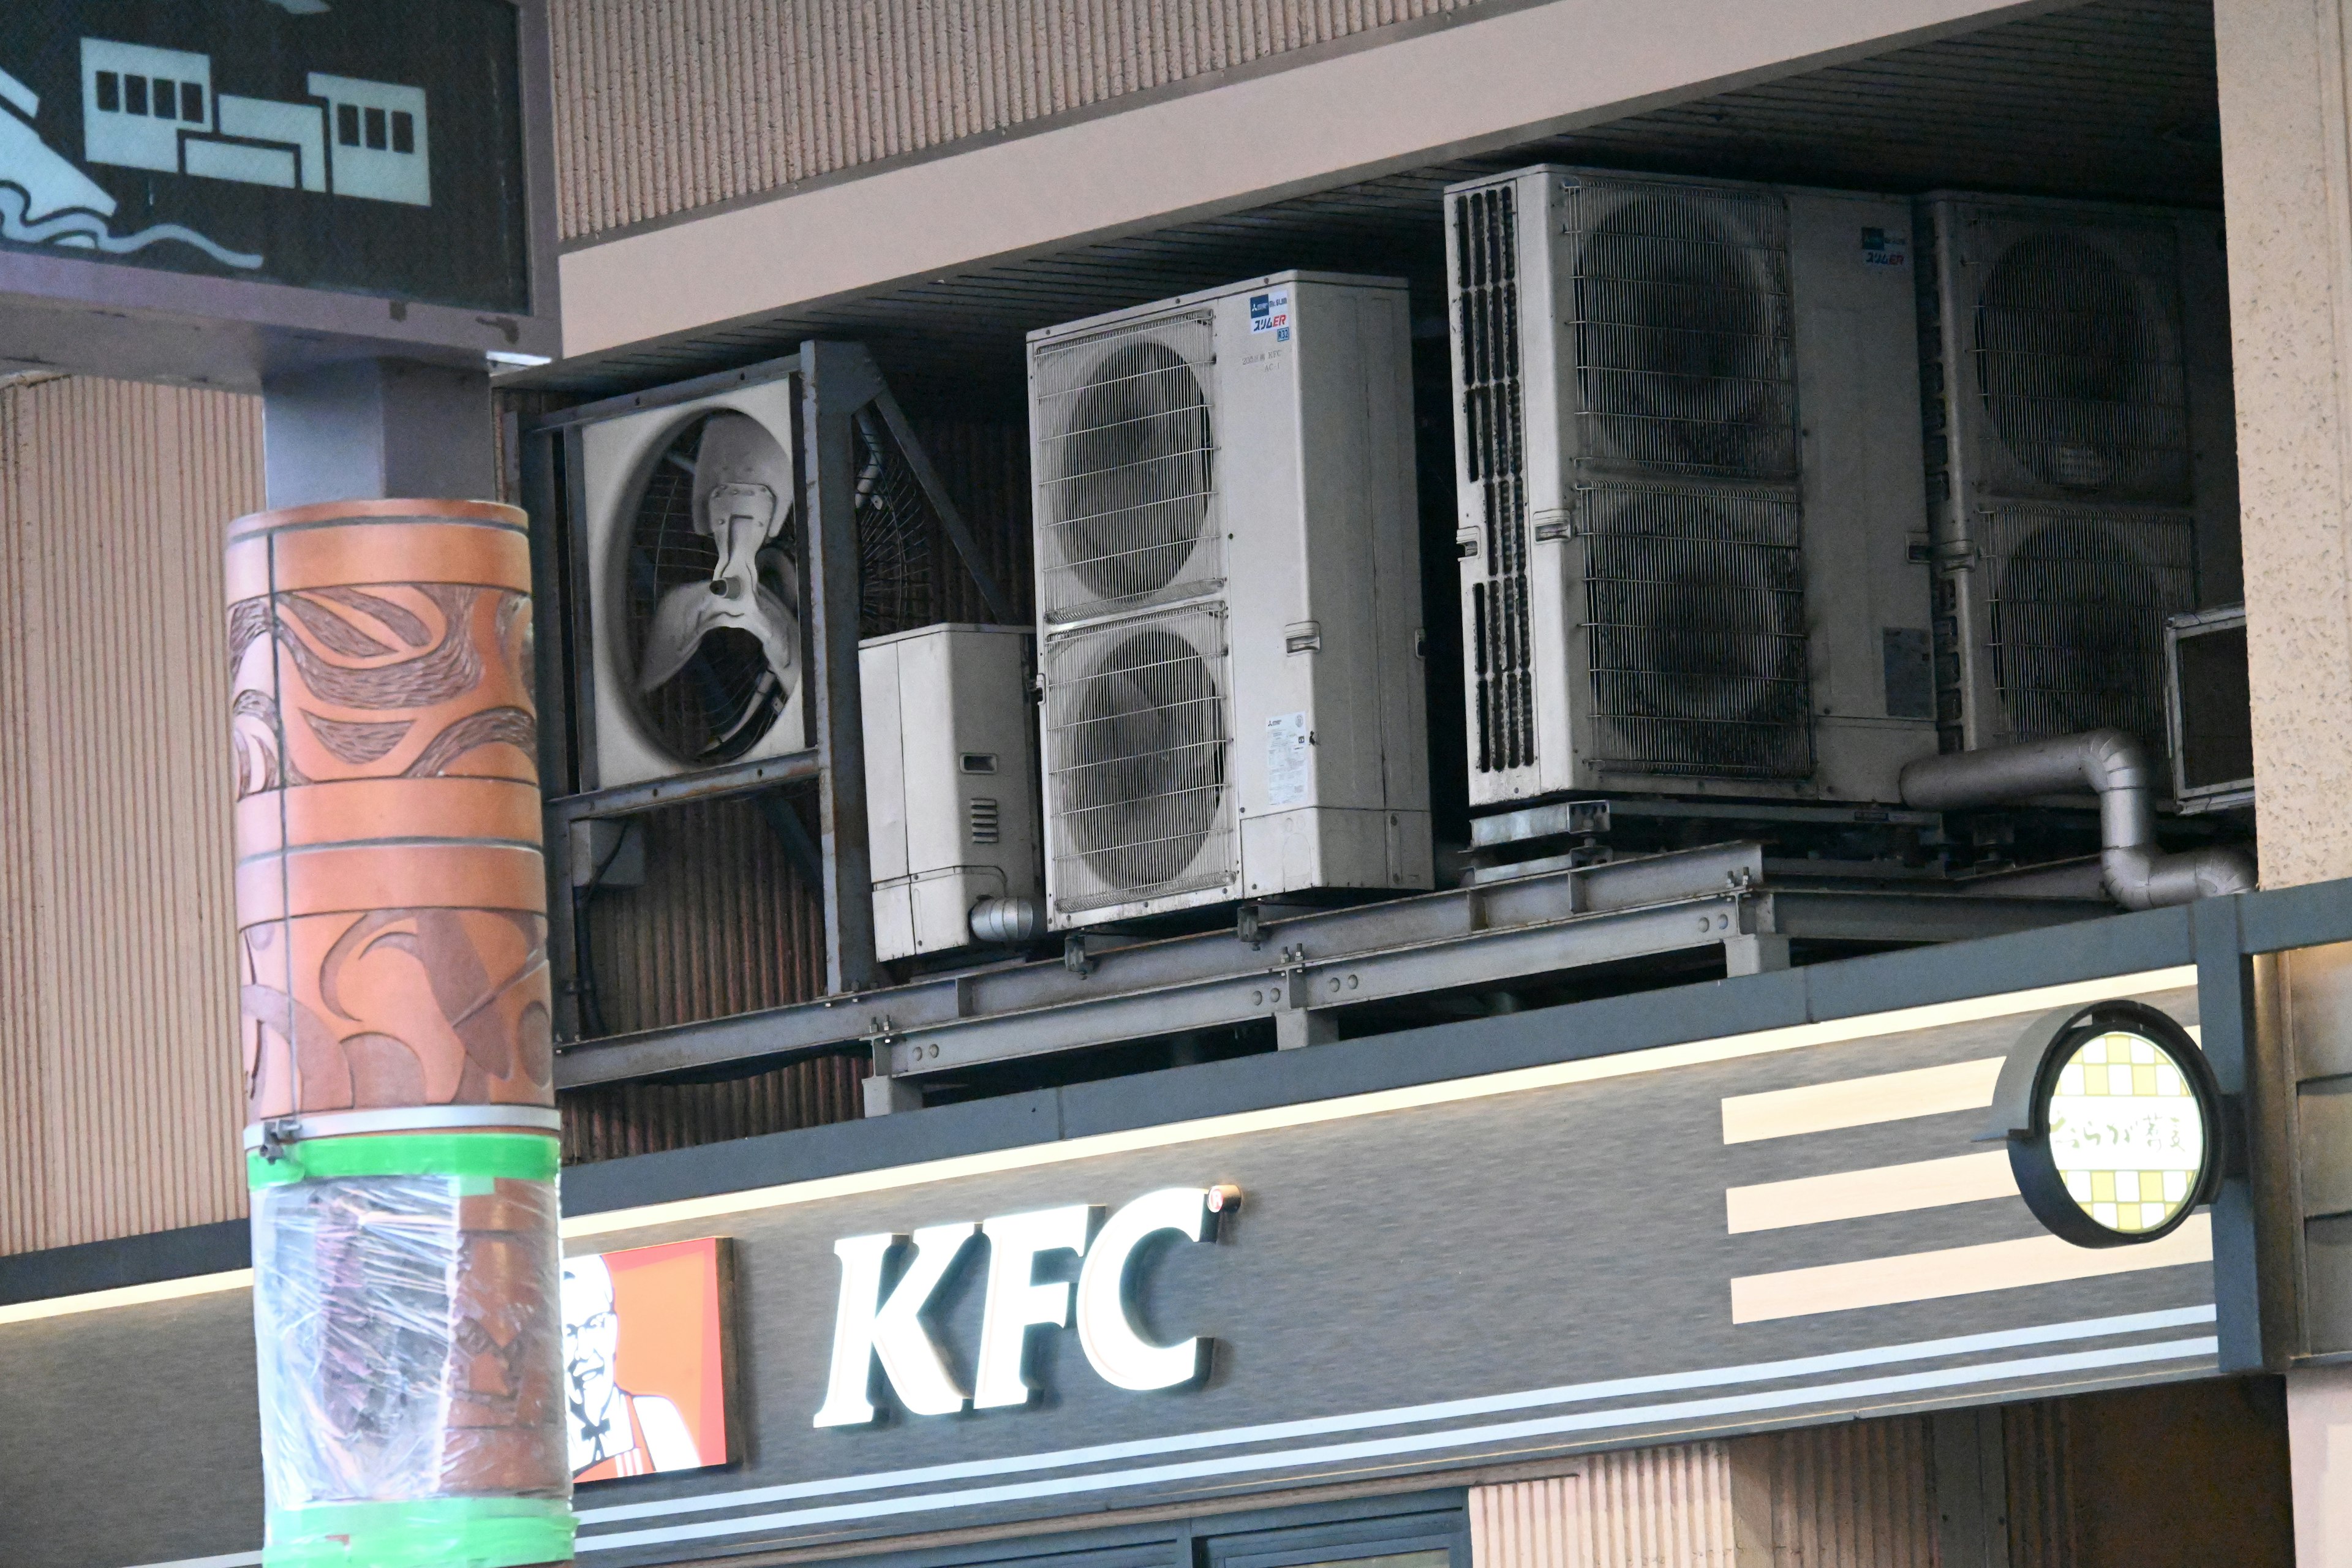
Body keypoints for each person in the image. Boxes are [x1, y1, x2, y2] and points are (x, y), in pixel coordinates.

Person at [560, 1253, 703, 1480]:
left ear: (613, 1328)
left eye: (595, 1324)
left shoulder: (656, 1419)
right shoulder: (542, 1448)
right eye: (567, 1333)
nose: (584, 1352)